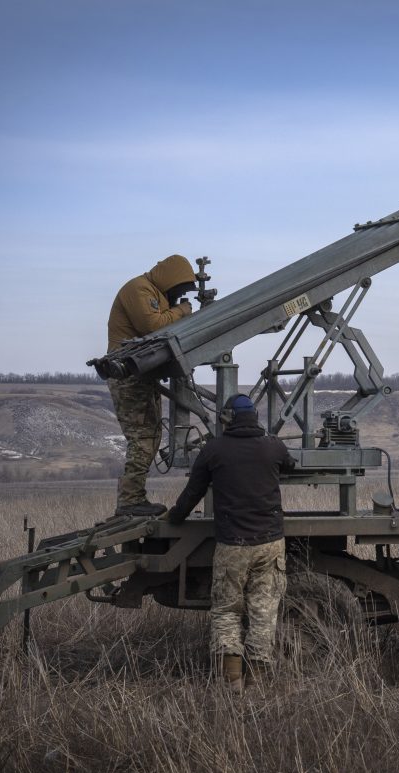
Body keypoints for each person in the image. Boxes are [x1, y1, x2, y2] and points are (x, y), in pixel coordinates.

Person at [165, 394, 295, 692]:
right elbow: (289, 465)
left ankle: (232, 682)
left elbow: (192, 493)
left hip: (232, 546)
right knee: (264, 611)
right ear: (254, 417)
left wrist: (174, 518)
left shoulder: (214, 450)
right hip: (270, 543)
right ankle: (257, 681)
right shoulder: (273, 446)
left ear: (227, 419)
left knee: (226, 611)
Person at [107, 254, 197, 516]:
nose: (177, 296)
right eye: (177, 290)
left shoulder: (151, 291)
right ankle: (130, 501)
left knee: (152, 436)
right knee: (143, 438)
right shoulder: (139, 289)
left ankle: (134, 498)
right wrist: (182, 311)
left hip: (140, 375)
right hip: (127, 375)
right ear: (169, 280)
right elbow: (153, 326)